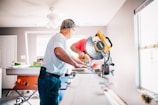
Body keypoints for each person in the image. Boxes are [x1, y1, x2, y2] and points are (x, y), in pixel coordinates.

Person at [38, 19, 88, 105]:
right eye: (73, 30)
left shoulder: (62, 40)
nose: (73, 33)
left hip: (51, 78)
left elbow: (70, 56)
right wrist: (75, 65)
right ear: (70, 29)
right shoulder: (59, 37)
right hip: (49, 78)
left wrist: (82, 64)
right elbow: (58, 52)